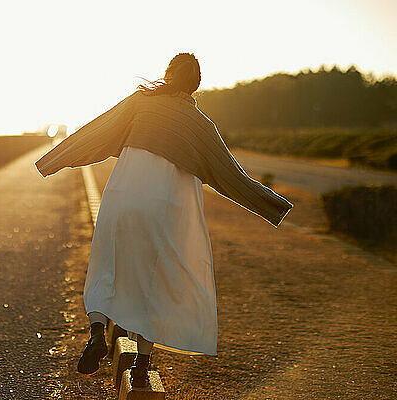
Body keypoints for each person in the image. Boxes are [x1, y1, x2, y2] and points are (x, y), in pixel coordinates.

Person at [34, 53, 293, 388]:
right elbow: (232, 177)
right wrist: (275, 206)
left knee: (105, 266)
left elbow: (95, 132)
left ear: (168, 76)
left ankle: (97, 331)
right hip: (161, 209)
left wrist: (51, 160)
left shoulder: (141, 103)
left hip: (123, 196)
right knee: (151, 284)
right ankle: (141, 365)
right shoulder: (201, 125)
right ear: (196, 84)